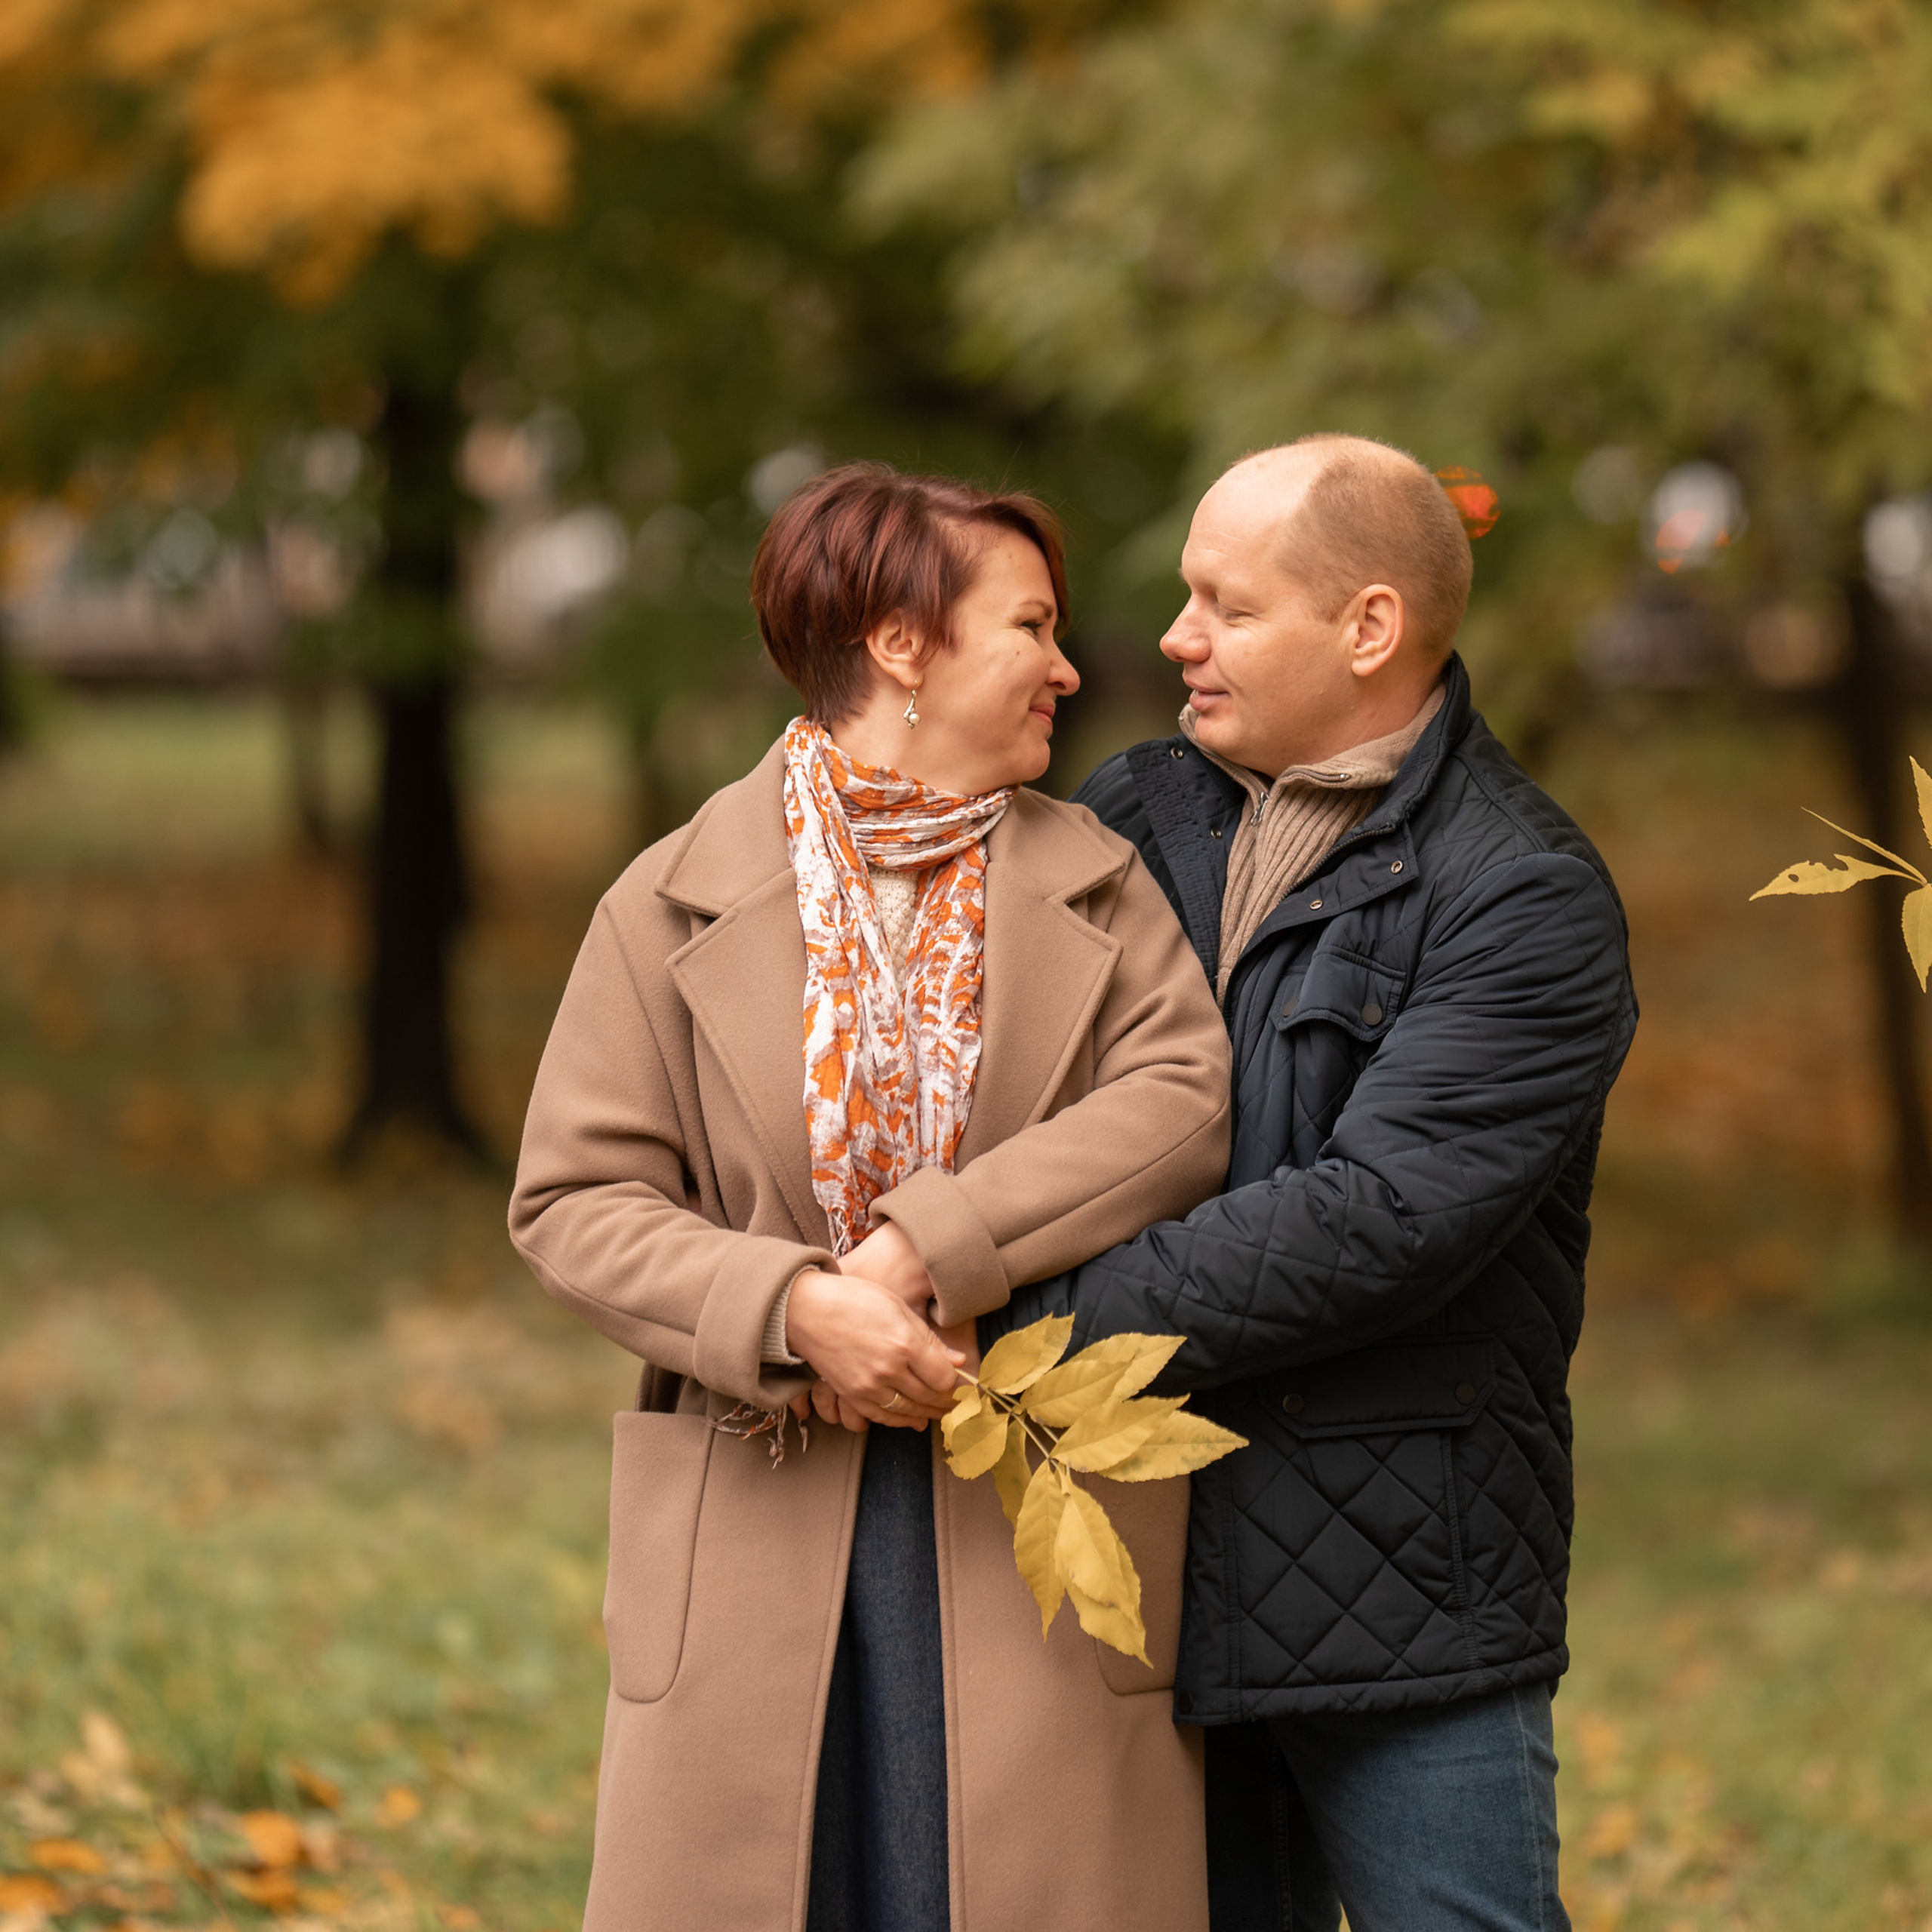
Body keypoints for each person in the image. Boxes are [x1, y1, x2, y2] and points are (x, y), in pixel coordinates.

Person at [508, 463, 1234, 1932]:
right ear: (902, 644)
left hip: (1030, 1497)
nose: (1066, 663)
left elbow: (1177, 1105)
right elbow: (575, 1196)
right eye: (1027, 623)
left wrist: (918, 1250)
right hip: (757, 1508)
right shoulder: (665, 899)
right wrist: (792, 1308)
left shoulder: (1099, 880)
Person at [980, 435, 1639, 1932]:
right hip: (1143, 1560)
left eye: (1224, 603)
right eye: (1181, 595)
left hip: (1397, 1587)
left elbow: (1372, 1221)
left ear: (1367, 626)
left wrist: (1012, 1318)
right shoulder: (1131, 813)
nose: (1172, 637)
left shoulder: (1519, 890)